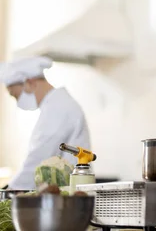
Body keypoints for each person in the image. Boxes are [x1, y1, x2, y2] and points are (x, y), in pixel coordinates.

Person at [0, 56, 91, 189]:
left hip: (68, 196)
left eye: (15, 95)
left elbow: (38, 159)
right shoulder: (54, 106)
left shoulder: (59, 107)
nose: (17, 101)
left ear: (30, 83)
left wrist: (8, 191)